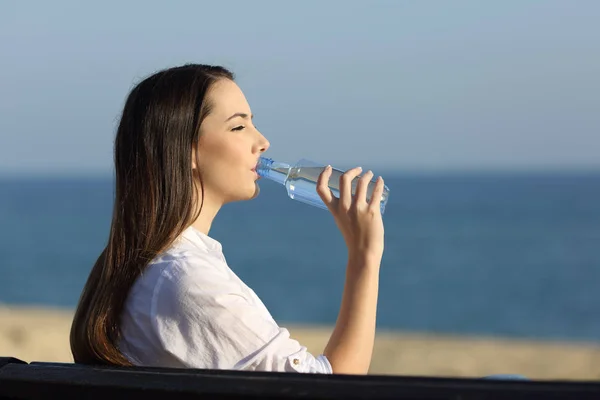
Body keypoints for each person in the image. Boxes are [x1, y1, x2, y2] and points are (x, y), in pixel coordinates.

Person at [69, 63, 386, 375]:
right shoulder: (188, 282)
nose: (262, 142)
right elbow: (325, 388)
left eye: (252, 123)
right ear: (188, 150)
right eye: (239, 127)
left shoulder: (153, 270)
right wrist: (364, 258)